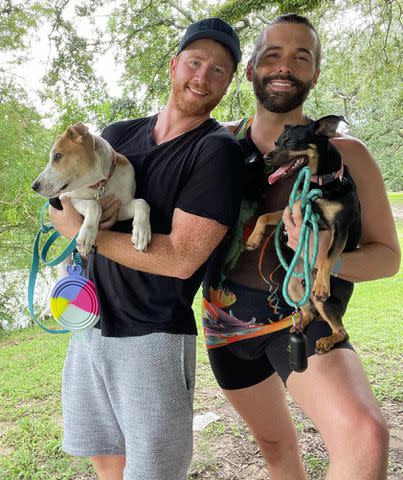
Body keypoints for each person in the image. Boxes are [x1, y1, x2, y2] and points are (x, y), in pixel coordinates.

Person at [202, 13, 400, 480]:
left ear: (314, 73)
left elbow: (388, 258)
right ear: (250, 69)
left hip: (302, 319)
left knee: (365, 437)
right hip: (225, 326)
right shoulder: (215, 143)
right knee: (275, 448)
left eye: (300, 57)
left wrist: (324, 259)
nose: (284, 66)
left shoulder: (347, 154)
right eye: (271, 55)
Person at [50, 18, 244, 480]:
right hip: (89, 322)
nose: (202, 77)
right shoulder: (116, 135)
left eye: (218, 70)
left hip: (152, 337)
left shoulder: (216, 152)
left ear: (228, 83)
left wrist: (84, 231)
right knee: (104, 455)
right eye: (195, 62)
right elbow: (61, 199)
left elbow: (181, 259)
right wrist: (69, 222)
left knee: (154, 472)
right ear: (175, 65)